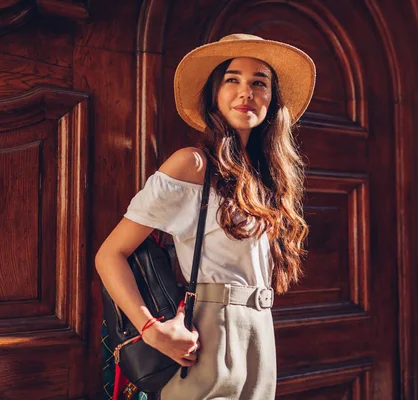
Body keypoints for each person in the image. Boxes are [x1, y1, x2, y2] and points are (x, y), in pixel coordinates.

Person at [95, 33, 316, 400]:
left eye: (259, 83)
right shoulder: (192, 165)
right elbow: (109, 255)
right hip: (210, 335)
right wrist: (152, 329)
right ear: (214, 93)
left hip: (260, 334)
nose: (246, 92)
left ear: (271, 100)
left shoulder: (264, 181)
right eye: (233, 80)